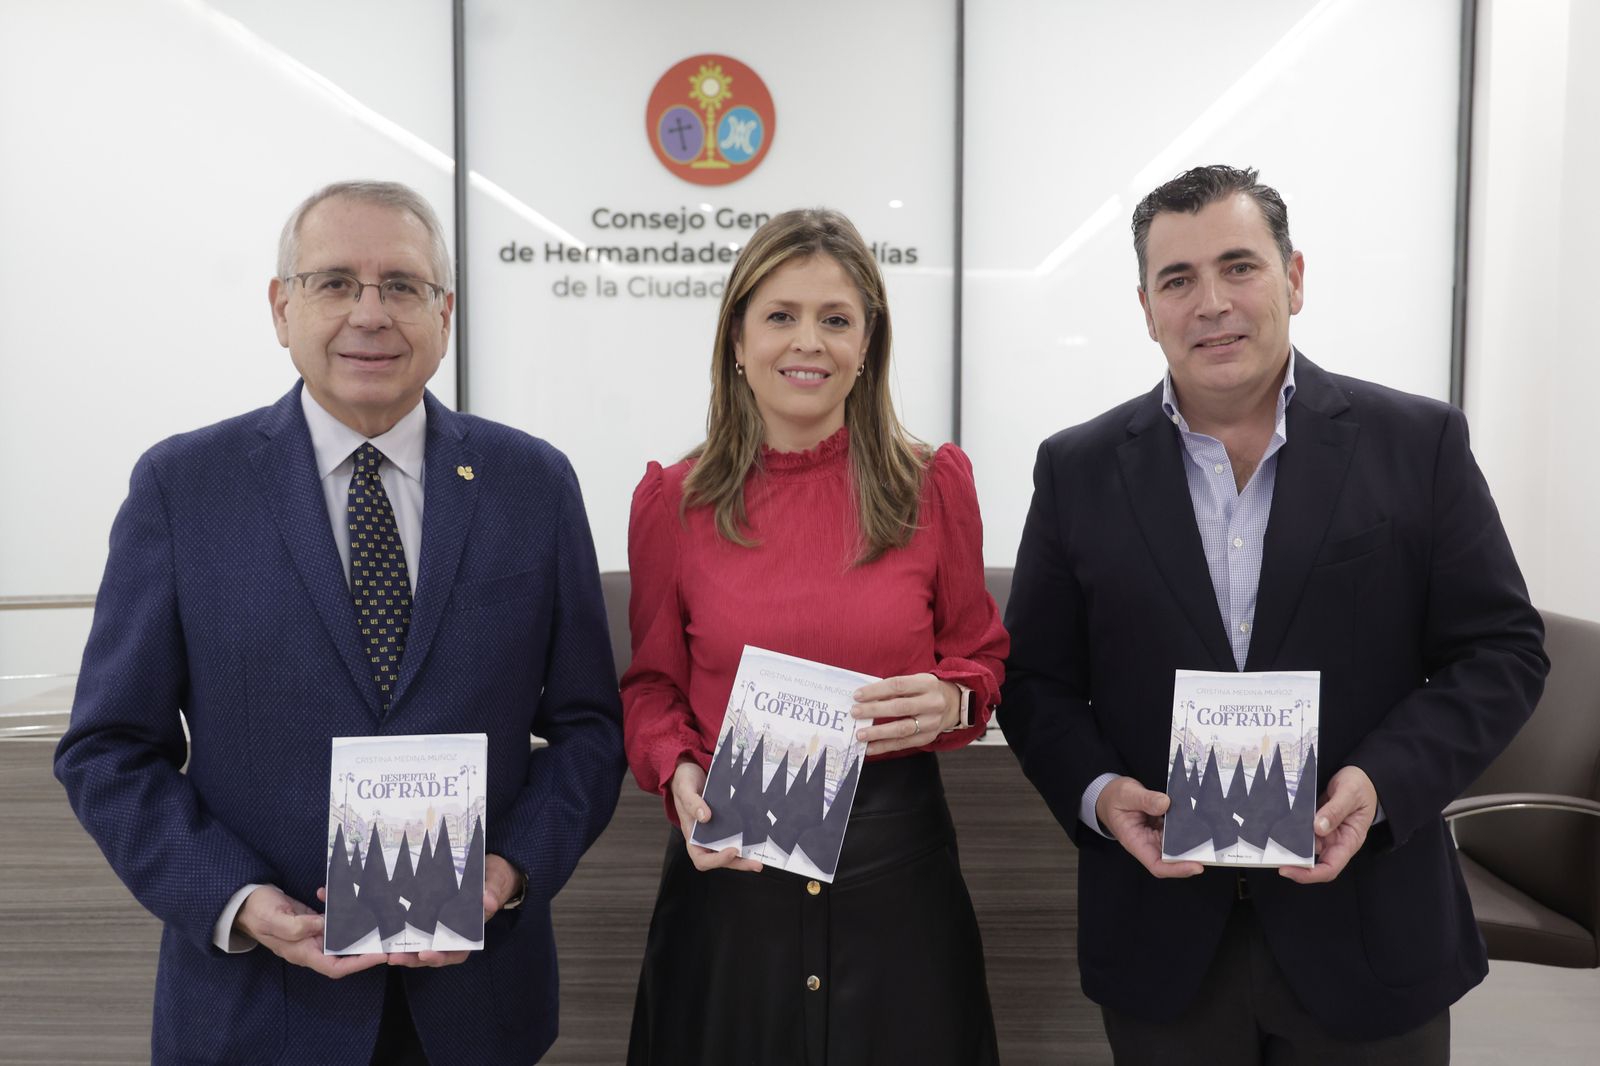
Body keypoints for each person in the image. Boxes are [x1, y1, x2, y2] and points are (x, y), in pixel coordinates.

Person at [54, 180, 625, 1066]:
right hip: (256, 1010)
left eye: (401, 285)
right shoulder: (183, 487)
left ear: (444, 313)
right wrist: (238, 900)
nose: (370, 314)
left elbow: (590, 728)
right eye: (334, 283)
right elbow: (107, 749)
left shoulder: (532, 485)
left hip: (476, 1009)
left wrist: (509, 872)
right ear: (282, 309)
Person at [999, 165, 1548, 1064]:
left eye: (1239, 266)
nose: (1211, 302)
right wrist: (1100, 798)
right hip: (1162, 941)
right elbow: (1036, 681)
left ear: (1294, 277)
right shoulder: (1078, 468)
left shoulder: (1418, 443)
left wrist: (1382, 786)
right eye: (1178, 280)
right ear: (1146, 307)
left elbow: (1500, 652)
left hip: (1371, 934)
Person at [621, 208, 1008, 1066]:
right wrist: (677, 771)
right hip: (732, 869)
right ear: (737, 337)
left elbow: (981, 659)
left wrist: (951, 697)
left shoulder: (932, 485)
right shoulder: (672, 503)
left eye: (837, 319)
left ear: (868, 343)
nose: (810, 341)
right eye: (781, 315)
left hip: (896, 876)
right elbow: (651, 687)